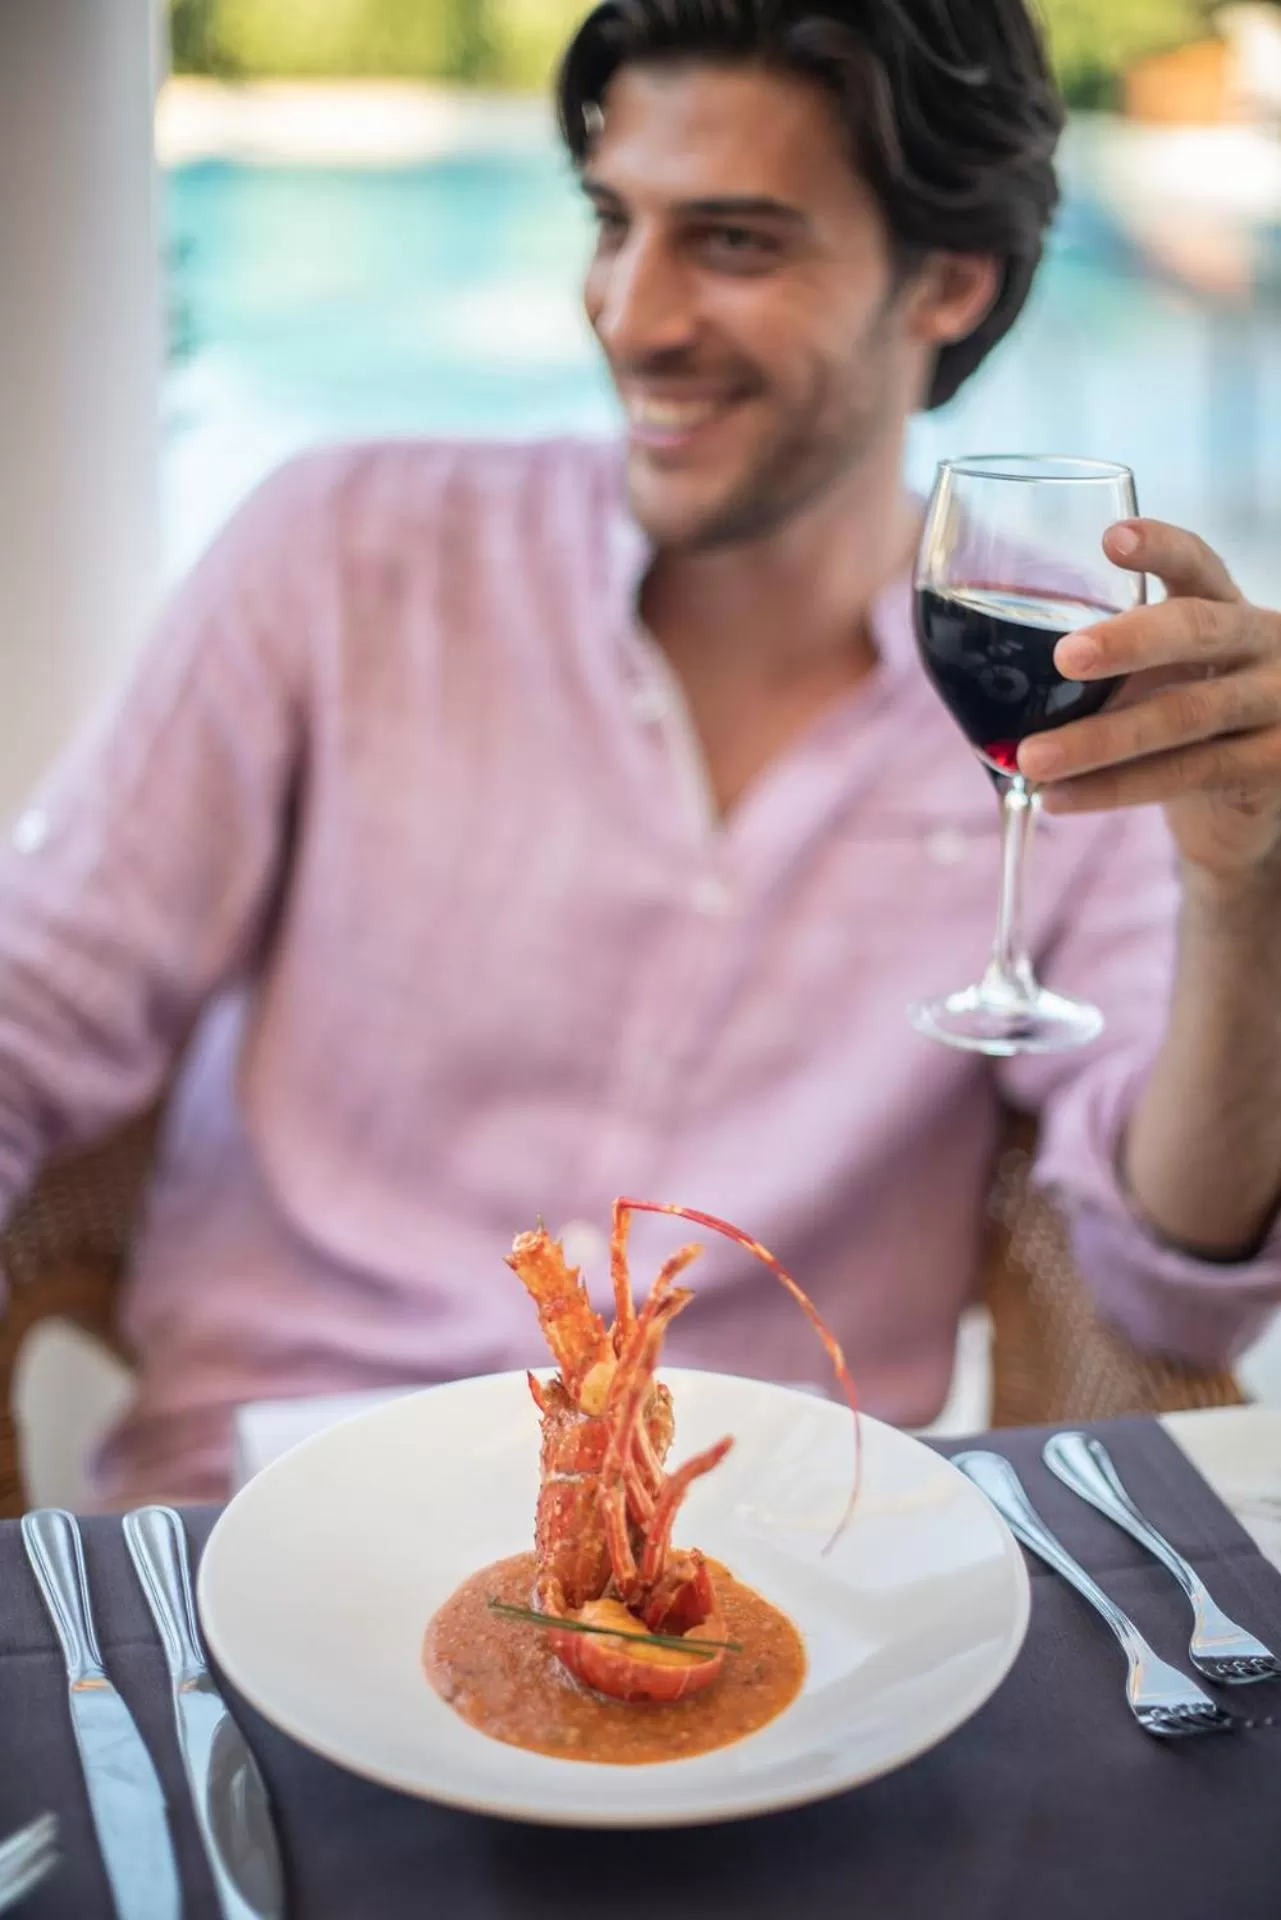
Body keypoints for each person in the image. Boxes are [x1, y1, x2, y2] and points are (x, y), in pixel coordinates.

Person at [3, 0, 1281, 1505]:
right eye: (616, 222)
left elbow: (1169, 1292)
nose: (632, 311)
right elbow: (37, 1010)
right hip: (267, 1517)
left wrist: (1246, 887)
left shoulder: (1080, 681)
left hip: (769, 1580)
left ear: (948, 279)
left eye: (734, 242)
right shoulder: (338, 556)